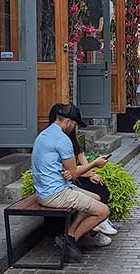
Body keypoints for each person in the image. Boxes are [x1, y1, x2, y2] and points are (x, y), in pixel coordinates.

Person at [31, 103, 110, 261]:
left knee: (96, 198)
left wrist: (66, 171)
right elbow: (74, 173)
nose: (74, 128)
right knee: (103, 211)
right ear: (67, 122)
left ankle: (70, 234)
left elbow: (64, 169)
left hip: (45, 190)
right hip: (55, 194)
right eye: (74, 124)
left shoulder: (44, 135)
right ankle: (69, 239)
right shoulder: (62, 139)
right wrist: (95, 164)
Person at [64, 129, 118, 240]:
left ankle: (100, 222)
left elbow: (81, 155)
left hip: (77, 174)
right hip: (69, 180)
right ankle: (92, 226)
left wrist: (90, 173)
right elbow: (66, 170)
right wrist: (85, 172)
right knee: (93, 194)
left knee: (100, 187)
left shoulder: (73, 137)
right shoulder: (58, 140)